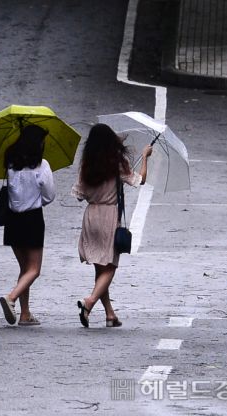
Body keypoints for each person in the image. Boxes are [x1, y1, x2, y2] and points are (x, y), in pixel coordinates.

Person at [71, 123, 152, 328]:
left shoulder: (87, 164)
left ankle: (110, 314)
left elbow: (80, 195)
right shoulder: (116, 162)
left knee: (100, 267)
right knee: (111, 266)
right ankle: (89, 302)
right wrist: (145, 157)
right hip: (108, 215)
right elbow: (140, 180)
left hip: (91, 215)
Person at [0, 124, 55, 326]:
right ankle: (11, 298)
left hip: (12, 221)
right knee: (34, 270)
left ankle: (25, 314)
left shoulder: (11, 163)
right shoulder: (42, 165)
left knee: (24, 269)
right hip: (32, 219)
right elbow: (50, 196)